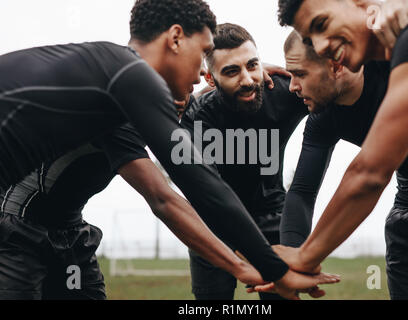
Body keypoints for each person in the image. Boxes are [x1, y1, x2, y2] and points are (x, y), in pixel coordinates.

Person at [0, 0, 338, 300]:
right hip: (17, 228)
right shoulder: (126, 79)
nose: (203, 71)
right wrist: (256, 267)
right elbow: (175, 194)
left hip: (69, 230)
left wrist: (278, 73)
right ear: (175, 38)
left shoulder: (120, 81)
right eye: (203, 52)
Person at [266, 0, 408, 298]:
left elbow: (370, 173)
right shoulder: (323, 114)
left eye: (322, 24)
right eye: (312, 38)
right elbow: (301, 191)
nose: (323, 45)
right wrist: (292, 259)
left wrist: (305, 258)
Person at [181, 23, 316, 300]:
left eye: (252, 65)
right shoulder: (196, 118)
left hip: (272, 217)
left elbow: (325, 84)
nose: (247, 79)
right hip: (215, 224)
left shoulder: (282, 92)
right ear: (210, 78)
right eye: (231, 71)